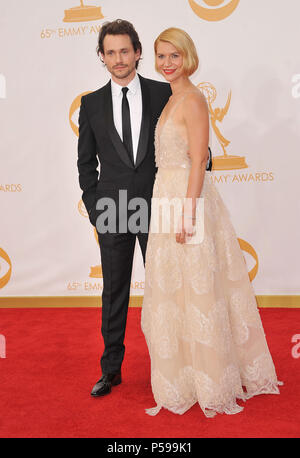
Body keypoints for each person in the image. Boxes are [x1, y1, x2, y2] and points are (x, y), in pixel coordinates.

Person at [141, 27, 283, 418]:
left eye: (175, 56)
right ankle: (185, 373)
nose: (167, 64)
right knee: (176, 288)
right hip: (166, 196)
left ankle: (211, 377)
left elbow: (199, 161)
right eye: (161, 56)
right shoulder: (171, 100)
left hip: (188, 200)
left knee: (199, 288)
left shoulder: (192, 99)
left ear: (189, 57)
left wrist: (187, 213)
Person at [77, 19, 171, 397]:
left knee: (165, 289)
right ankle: (110, 369)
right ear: (102, 56)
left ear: (138, 52)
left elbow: (181, 145)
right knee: (114, 292)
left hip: (160, 206)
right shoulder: (91, 103)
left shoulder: (164, 94)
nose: (118, 59)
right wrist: (96, 208)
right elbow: (86, 164)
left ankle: (170, 367)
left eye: (125, 50)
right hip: (113, 208)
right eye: (110, 52)